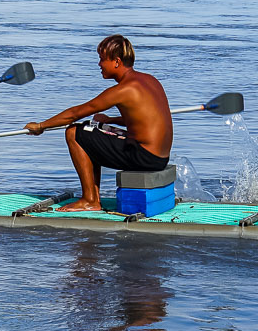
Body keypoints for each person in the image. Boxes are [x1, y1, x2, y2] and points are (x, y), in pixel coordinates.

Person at [25, 35, 172, 211]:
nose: (99, 64)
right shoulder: (150, 80)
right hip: (160, 158)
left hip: (143, 157)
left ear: (117, 62)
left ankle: (90, 200)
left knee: (74, 132)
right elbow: (142, 120)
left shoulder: (123, 90)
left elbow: (75, 113)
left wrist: (41, 126)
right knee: (91, 128)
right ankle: (92, 196)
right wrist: (110, 121)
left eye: (102, 59)